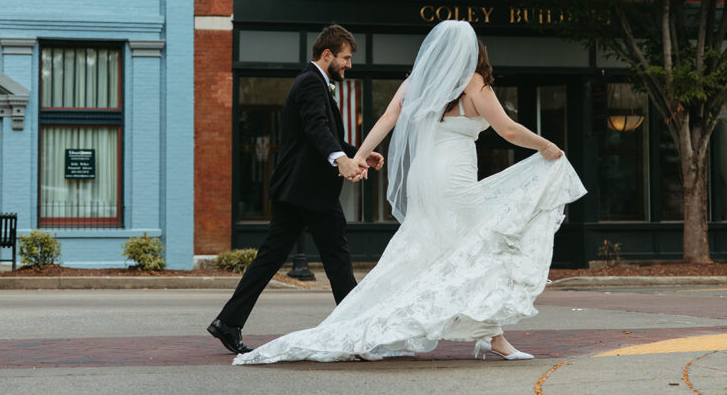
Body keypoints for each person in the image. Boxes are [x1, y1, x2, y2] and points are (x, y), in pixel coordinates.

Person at [233, 19, 586, 364]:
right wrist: (545, 145)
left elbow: (387, 119)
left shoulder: (419, 82)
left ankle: (477, 334)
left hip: (423, 177)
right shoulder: (475, 84)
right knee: (478, 251)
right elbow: (507, 130)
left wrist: (356, 158)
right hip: (455, 178)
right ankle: (493, 337)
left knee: (422, 249)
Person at [207, 24, 381, 354]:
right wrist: (340, 160)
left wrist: (357, 154)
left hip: (297, 190)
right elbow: (317, 129)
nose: (349, 64)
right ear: (327, 55)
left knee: (270, 259)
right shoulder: (310, 84)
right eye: (345, 58)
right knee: (338, 260)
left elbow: (317, 134)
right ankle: (357, 332)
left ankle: (228, 322)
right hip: (309, 191)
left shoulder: (314, 84)